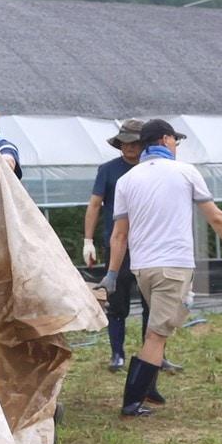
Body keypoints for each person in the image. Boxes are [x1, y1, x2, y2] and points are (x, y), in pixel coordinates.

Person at [102, 119, 222, 416]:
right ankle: (133, 401)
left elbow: (119, 234)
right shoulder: (185, 172)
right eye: (176, 141)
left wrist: (113, 273)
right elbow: (216, 217)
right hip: (174, 266)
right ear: (166, 139)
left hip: (142, 268)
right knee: (158, 334)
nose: (177, 146)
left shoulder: (127, 180)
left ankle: (149, 389)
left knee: (154, 330)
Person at [84, 119, 150, 371]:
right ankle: (117, 353)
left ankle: (150, 355)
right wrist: (87, 240)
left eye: (134, 143)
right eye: (124, 143)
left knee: (150, 302)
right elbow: (94, 205)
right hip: (118, 245)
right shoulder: (108, 170)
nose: (129, 147)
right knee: (117, 301)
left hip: (147, 245)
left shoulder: (152, 169)